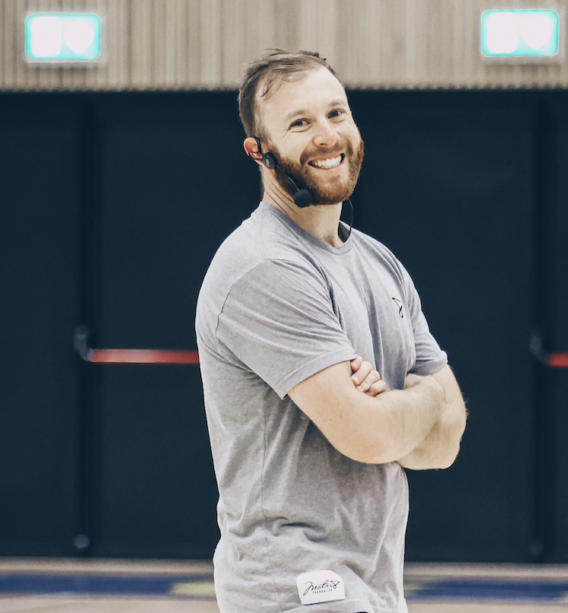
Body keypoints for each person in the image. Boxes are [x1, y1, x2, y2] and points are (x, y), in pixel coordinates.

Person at [195, 49, 467, 613]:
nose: (326, 136)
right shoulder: (263, 265)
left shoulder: (380, 264)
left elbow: (444, 444)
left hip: (375, 583)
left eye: (336, 113)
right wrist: (426, 398)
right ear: (258, 151)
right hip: (296, 586)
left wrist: (393, 409)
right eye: (300, 123)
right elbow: (369, 436)